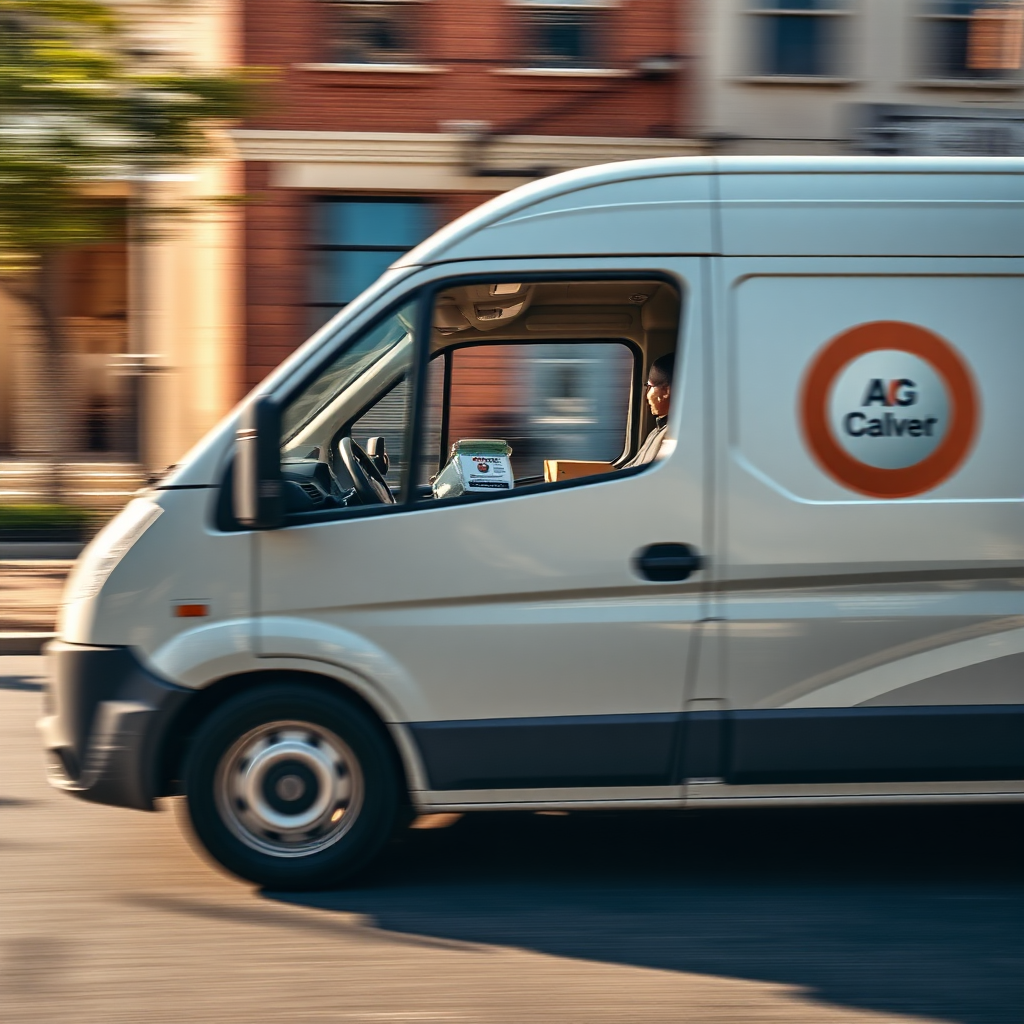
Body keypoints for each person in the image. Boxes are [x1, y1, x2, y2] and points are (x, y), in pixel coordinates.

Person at [623, 352, 673, 468]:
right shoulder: (658, 430)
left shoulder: (671, 436)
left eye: (649, 387)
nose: (646, 396)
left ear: (666, 391)